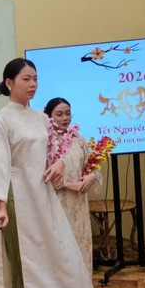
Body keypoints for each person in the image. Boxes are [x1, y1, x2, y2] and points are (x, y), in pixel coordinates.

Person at [0, 58, 115, 288]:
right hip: (18, 200)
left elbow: (57, 150)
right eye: (26, 79)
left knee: (62, 264)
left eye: (35, 78)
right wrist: (0, 206)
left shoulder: (41, 118)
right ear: (9, 83)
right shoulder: (1, 120)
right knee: (25, 267)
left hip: (45, 197)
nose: (33, 84)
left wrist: (58, 164)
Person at [44, 97, 101, 274]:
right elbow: (43, 176)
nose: (65, 118)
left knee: (81, 244)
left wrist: (91, 177)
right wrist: (70, 185)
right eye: (59, 114)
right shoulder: (44, 142)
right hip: (55, 205)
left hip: (79, 204)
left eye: (67, 113)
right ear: (49, 116)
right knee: (61, 248)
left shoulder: (78, 139)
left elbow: (93, 167)